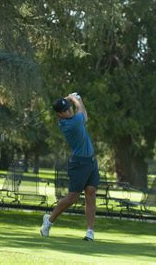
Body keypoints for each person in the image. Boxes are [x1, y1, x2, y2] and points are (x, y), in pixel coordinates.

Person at [40, 93, 99, 241]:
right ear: (60, 114)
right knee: (72, 198)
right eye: (66, 110)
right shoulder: (70, 124)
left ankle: (90, 231)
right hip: (78, 163)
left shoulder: (72, 119)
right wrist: (75, 99)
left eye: (69, 108)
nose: (69, 110)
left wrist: (66, 99)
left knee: (91, 192)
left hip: (91, 162)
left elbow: (81, 113)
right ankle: (49, 221)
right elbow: (83, 113)